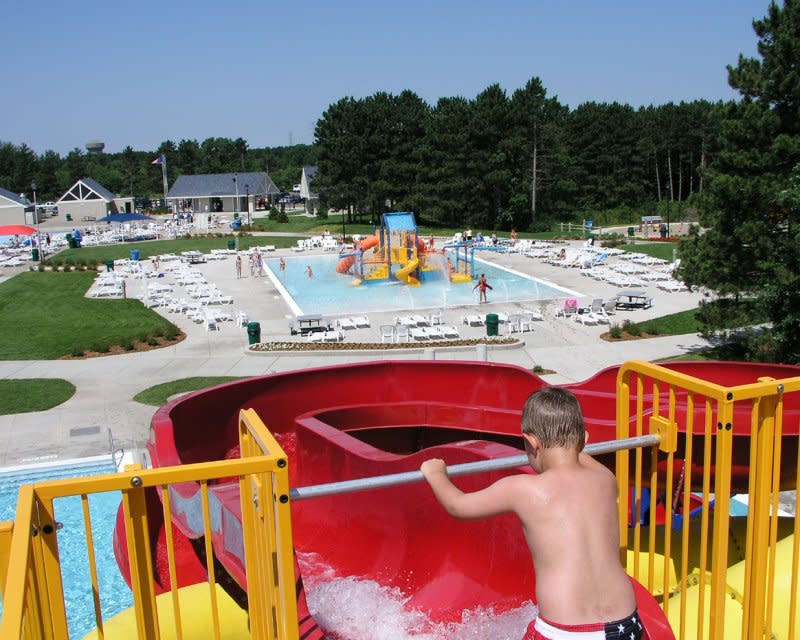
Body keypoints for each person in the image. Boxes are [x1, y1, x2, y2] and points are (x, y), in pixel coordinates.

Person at [420, 388, 644, 640]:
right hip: (627, 625)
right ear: (584, 440)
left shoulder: (524, 489)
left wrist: (435, 472)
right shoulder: (606, 480)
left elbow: (457, 505)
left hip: (567, 632)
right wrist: (574, 442)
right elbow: (578, 455)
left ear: (531, 442)